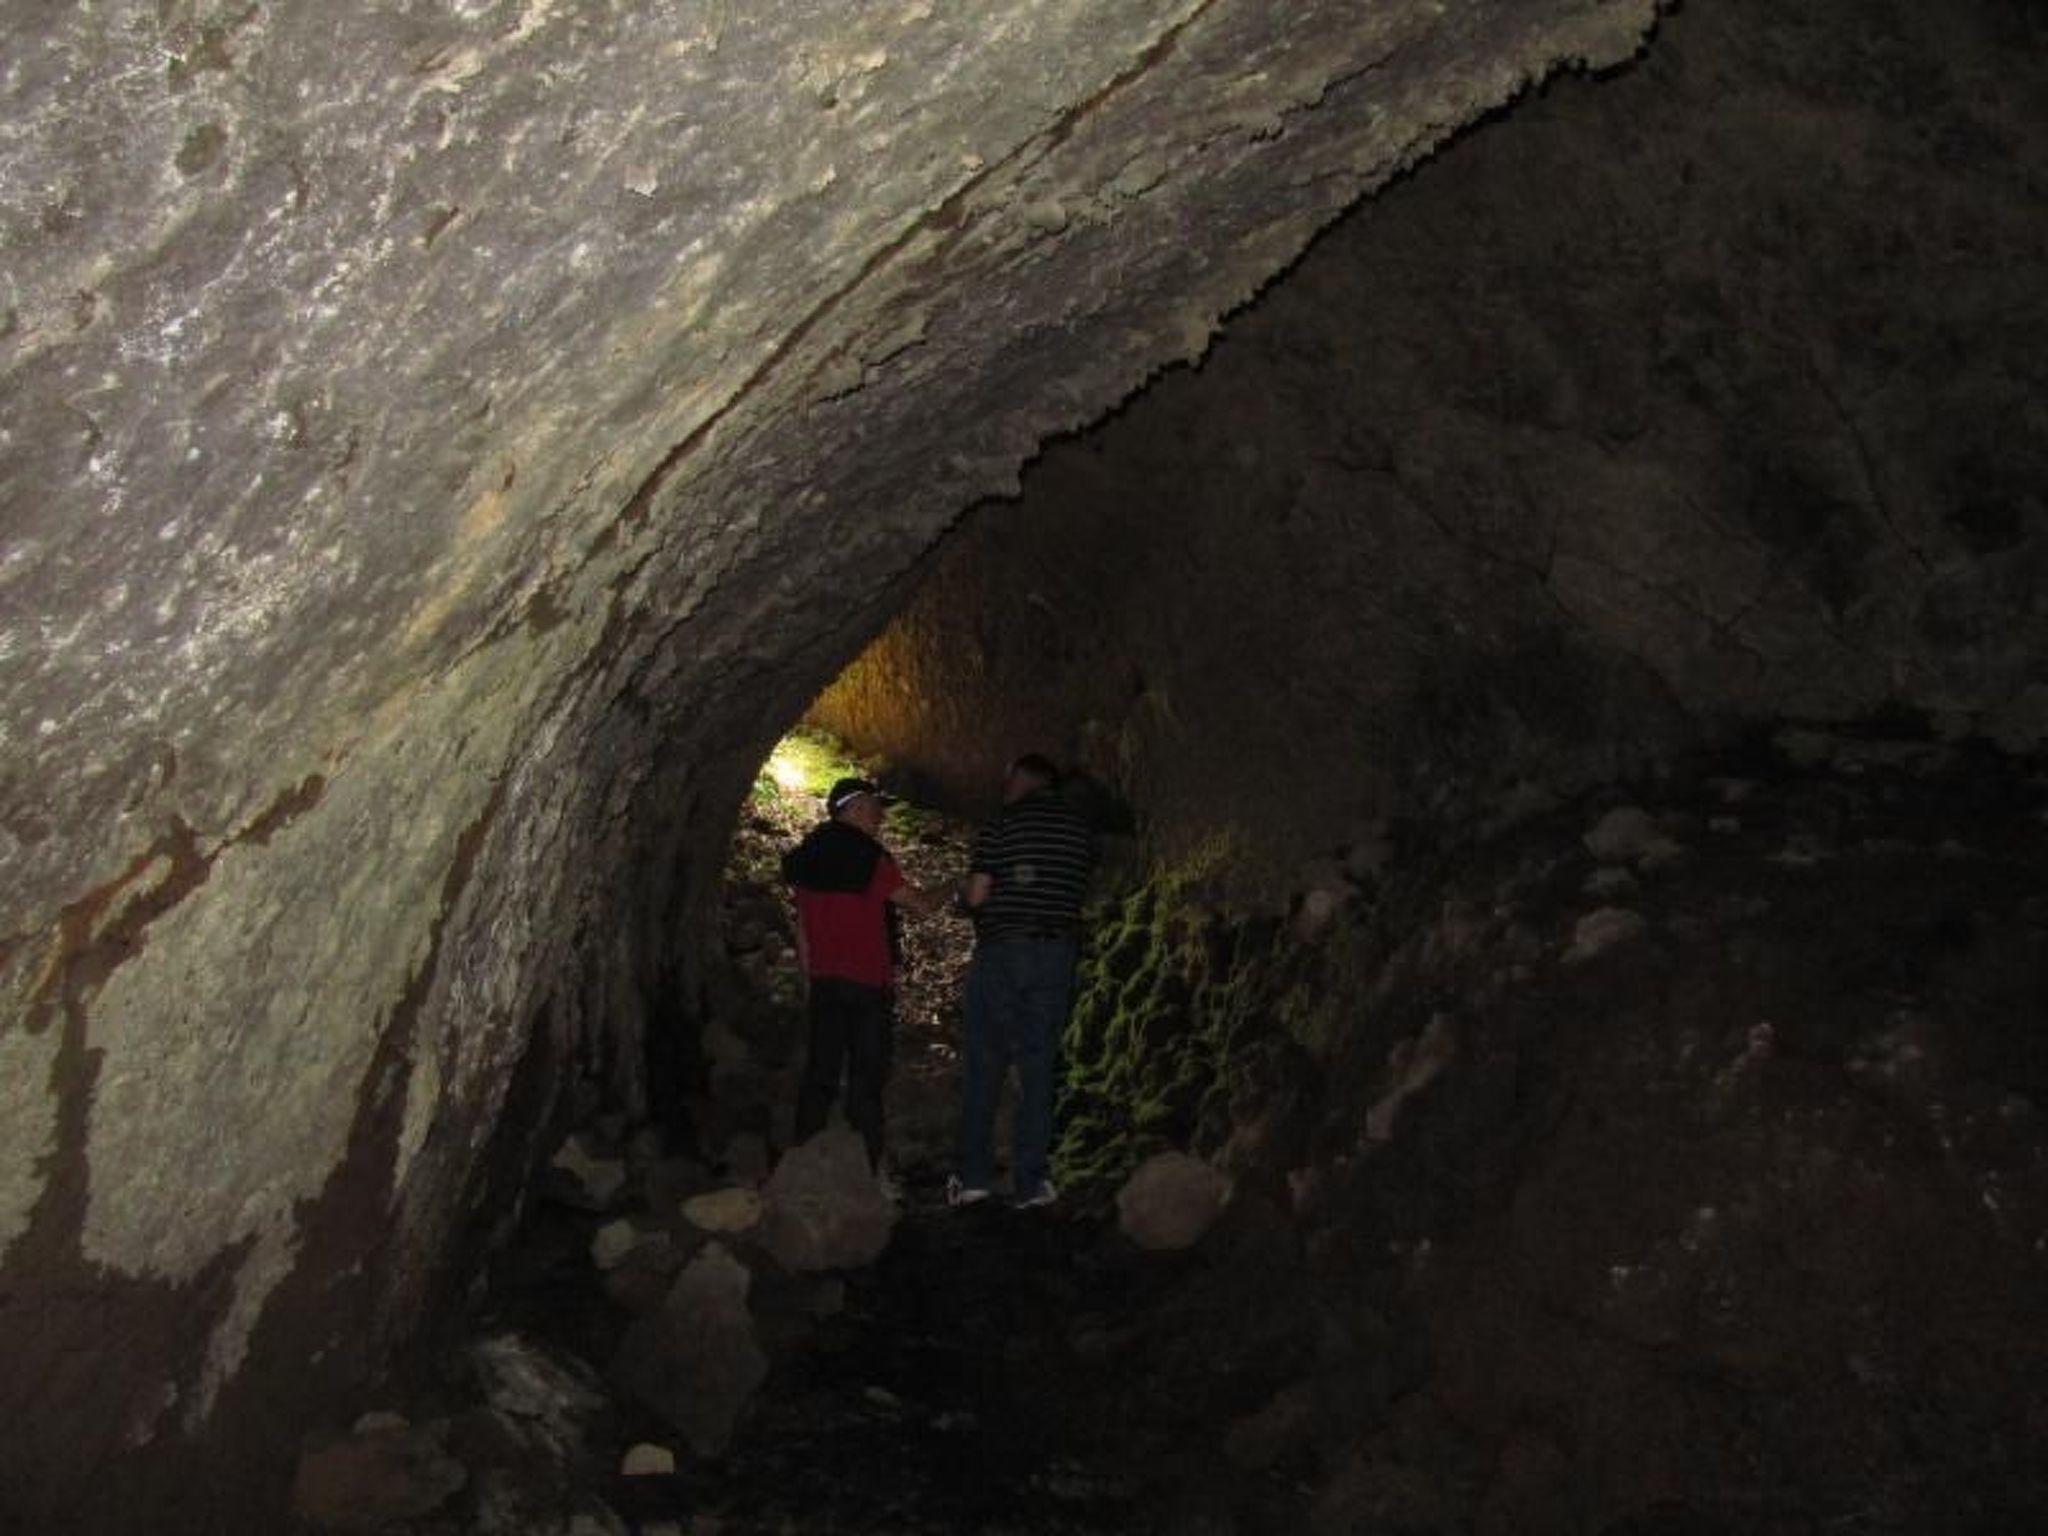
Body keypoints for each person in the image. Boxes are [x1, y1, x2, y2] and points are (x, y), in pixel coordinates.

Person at [949, 753, 1096, 1210]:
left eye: (1006, 779)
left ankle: (974, 1179)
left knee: (985, 1061)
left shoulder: (1003, 823)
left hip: (1004, 952)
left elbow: (977, 894)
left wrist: (963, 900)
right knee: (1038, 1067)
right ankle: (1031, 1184)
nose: (1002, 788)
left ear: (1022, 780)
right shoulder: (1079, 830)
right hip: (1056, 955)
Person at [782, 776, 942, 1193]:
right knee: (866, 1078)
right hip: (867, 982)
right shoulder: (870, 857)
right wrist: (950, 891)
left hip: (826, 981)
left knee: (820, 1072)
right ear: (851, 808)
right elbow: (917, 905)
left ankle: (801, 1162)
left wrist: (808, 976)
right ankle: (870, 1170)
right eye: (874, 806)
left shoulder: (808, 854)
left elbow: (802, 926)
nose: (881, 814)